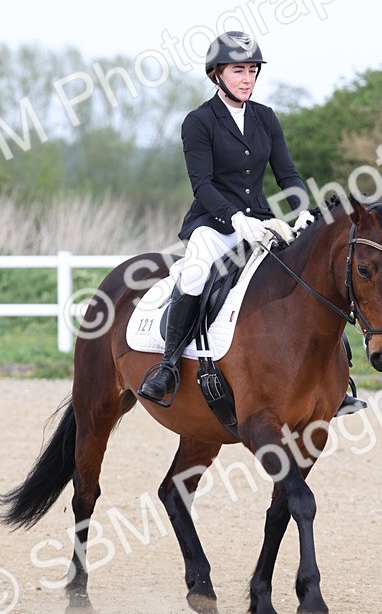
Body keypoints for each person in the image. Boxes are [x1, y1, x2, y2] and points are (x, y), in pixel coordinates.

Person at [137, 31, 364, 416]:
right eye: (238, 70)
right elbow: (202, 185)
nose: (247, 78)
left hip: (263, 224)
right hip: (212, 225)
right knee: (193, 275)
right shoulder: (198, 122)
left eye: (252, 71)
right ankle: (169, 367)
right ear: (216, 75)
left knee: (306, 277)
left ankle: (335, 381)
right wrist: (235, 219)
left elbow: (288, 174)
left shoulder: (265, 118)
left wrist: (302, 209)